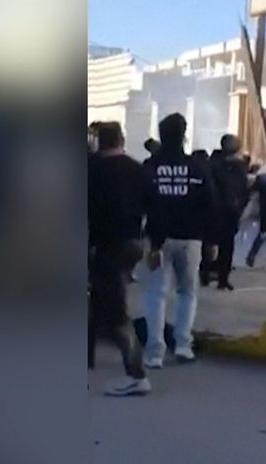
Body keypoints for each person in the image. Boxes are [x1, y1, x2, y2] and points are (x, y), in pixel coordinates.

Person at [142, 113, 218, 368]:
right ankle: (183, 345)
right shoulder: (197, 167)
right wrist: (211, 240)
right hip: (191, 238)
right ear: (184, 135)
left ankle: (155, 352)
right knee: (187, 292)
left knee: (156, 294)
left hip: (157, 241)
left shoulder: (151, 167)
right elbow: (210, 204)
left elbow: (141, 202)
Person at [88, 122, 152, 396]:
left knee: (114, 310)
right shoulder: (137, 168)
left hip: (105, 243)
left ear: (99, 142)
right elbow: (151, 206)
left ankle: (136, 374)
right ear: (122, 140)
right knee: (101, 297)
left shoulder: (93, 169)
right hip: (132, 242)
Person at [205, 134, 250, 290]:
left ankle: (211, 274)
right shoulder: (238, 167)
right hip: (227, 209)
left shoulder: (213, 164)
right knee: (225, 244)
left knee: (212, 242)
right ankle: (221, 277)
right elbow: (243, 189)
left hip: (218, 209)